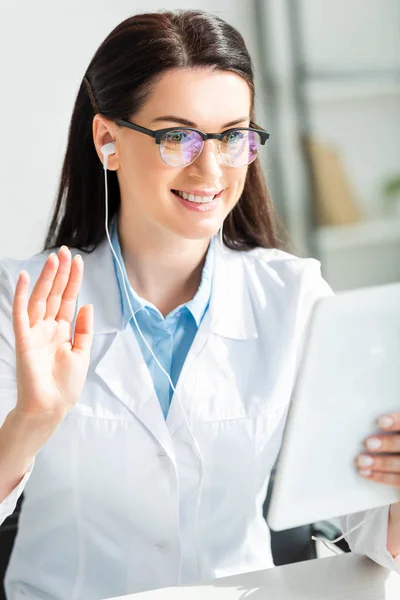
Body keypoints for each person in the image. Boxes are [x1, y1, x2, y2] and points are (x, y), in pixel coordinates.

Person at [0, 9, 399, 600]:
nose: (210, 169)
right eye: (175, 136)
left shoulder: (294, 298)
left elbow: (368, 534)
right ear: (107, 139)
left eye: (233, 136)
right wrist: (33, 418)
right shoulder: (21, 301)